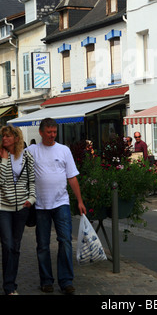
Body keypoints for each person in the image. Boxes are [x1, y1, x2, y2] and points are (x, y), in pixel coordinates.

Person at [27, 117, 86, 295]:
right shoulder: (31, 151)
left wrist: (80, 200)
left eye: (54, 132)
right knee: (43, 245)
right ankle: (46, 281)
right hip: (40, 205)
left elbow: (72, 177)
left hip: (61, 202)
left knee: (65, 241)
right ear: (41, 132)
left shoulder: (64, 150)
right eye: (49, 132)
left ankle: (66, 280)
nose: (52, 135)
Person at [0, 125, 36, 295]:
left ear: (15, 138)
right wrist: (4, 160)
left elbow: (32, 180)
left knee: (15, 246)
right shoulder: (0, 156)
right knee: (7, 245)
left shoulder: (26, 156)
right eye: (2, 137)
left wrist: (31, 199)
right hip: (3, 208)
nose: (4, 139)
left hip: (22, 207)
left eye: (7, 136)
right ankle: (8, 286)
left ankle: (10, 284)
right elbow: (1, 181)